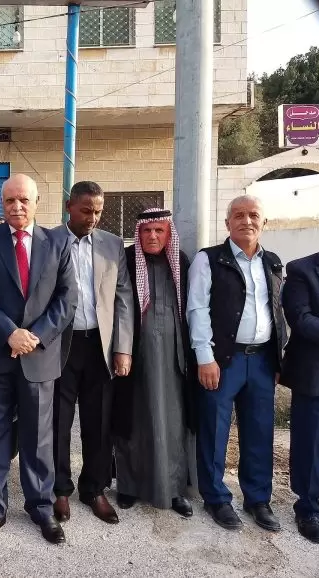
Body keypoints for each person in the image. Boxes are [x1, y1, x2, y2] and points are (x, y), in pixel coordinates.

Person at [0, 174, 76, 545]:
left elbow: (67, 299)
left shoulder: (58, 242)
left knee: (39, 437)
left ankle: (41, 507)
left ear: (36, 201)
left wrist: (34, 337)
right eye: (10, 200)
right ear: (2, 203)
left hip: (39, 356)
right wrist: (9, 333)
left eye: (23, 200)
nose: (16, 207)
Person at [188, 194, 287, 532]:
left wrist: (278, 359)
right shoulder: (209, 259)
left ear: (264, 222)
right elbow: (197, 310)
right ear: (227, 222)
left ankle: (258, 499)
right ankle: (216, 498)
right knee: (215, 431)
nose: (247, 221)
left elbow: (278, 311)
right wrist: (205, 358)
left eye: (254, 215)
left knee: (260, 431)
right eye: (239, 215)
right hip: (222, 361)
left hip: (261, 361)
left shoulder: (272, 262)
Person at [52, 181, 134, 525]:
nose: (93, 217)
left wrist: (123, 348)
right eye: (86, 210)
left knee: (98, 423)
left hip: (100, 346)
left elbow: (123, 297)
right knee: (58, 422)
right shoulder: (48, 241)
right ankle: (59, 489)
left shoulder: (112, 244)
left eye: (98, 211)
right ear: (69, 206)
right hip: (60, 346)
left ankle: (94, 488)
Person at [112, 208, 195, 517]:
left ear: (168, 233)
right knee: (134, 419)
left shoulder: (181, 261)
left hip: (174, 356)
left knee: (173, 422)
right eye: (147, 231)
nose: (152, 236)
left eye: (159, 230)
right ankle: (129, 486)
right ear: (139, 233)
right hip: (136, 354)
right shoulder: (126, 259)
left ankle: (174, 489)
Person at [280, 215, 319, 544]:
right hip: (315, 374)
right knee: (310, 445)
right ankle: (308, 508)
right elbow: (300, 318)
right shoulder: (301, 269)